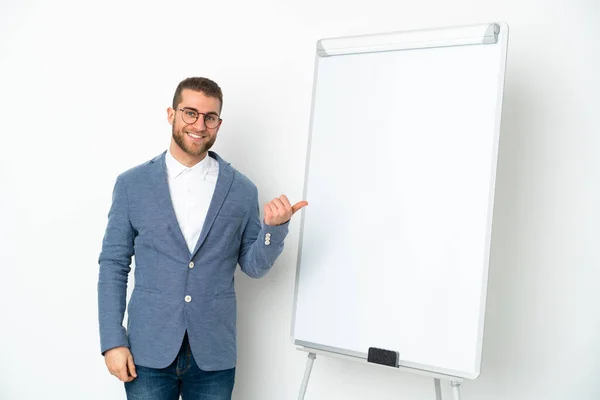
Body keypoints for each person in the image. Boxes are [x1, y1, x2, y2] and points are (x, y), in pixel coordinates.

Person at [97, 77, 307, 400]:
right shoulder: (132, 185)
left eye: (210, 117)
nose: (199, 124)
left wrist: (273, 230)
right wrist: (113, 340)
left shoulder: (241, 190)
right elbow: (113, 265)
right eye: (190, 113)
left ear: (218, 124)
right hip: (147, 351)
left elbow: (253, 267)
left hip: (213, 354)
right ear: (171, 114)